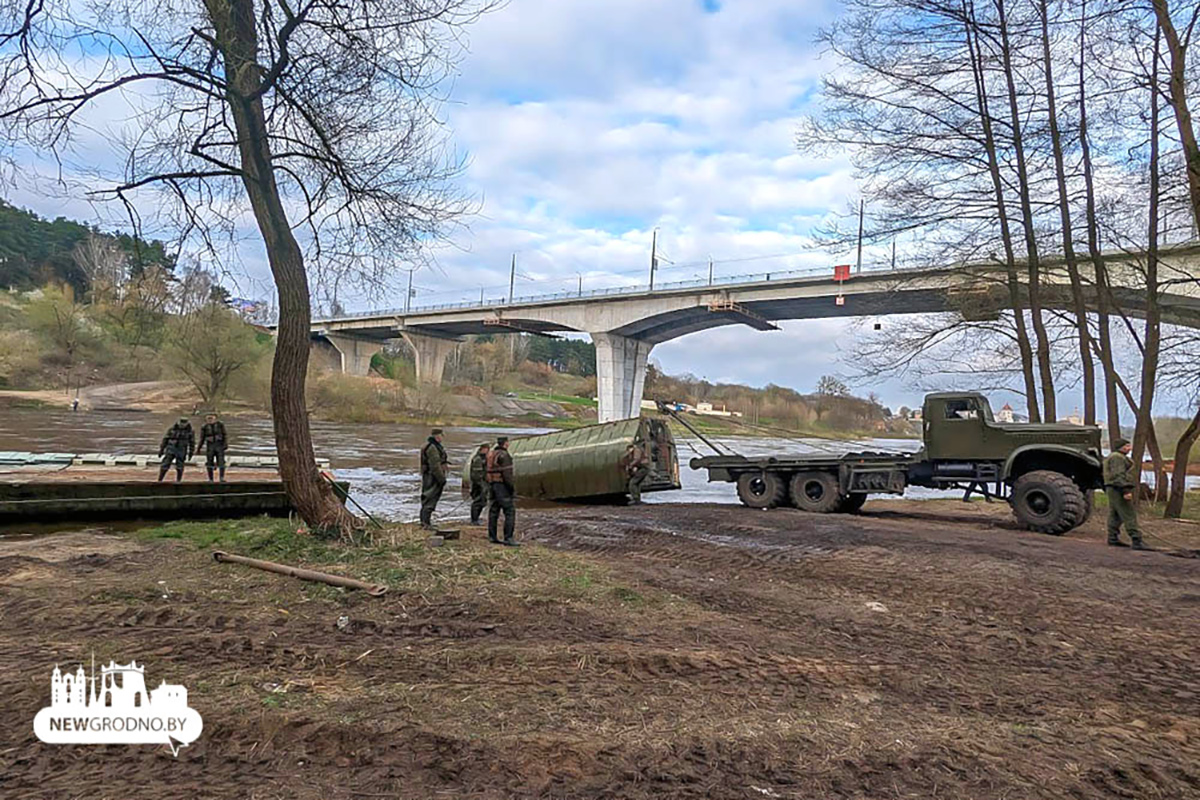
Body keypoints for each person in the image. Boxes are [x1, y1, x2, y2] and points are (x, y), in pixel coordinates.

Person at [1103, 437, 1148, 550]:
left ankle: (1112, 538)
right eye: (1127, 446)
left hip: (1113, 487)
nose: (1129, 448)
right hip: (1118, 488)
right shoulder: (1117, 458)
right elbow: (1118, 475)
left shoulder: (1116, 457)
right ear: (1120, 447)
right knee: (1128, 513)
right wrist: (1126, 490)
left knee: (1115, 514)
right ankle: (1136, 539)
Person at [486, 436, 517, 546]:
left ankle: (492, 536)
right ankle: (508, 538)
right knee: (509, 511)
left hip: (492, 485)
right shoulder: (504, 455)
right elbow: (507, 475)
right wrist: (512, 489)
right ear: (505, 443)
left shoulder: (491, 454)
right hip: (502, 485)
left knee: (493, 511)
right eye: (508, 442)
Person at [419, 428, 448, 529]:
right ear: (437, 436)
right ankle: (425, 523)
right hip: (432, 477)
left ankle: (425, 522)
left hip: (430, 476)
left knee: (428, 498)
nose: (442, 438)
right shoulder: (432, 448)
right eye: (441, 436)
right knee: (430, 498)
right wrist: (442, 479)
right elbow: (435, 466)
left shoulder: (431, 445)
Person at [157, 417, 195, 483]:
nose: (182, 425)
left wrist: (191, 453)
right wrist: (161, 450)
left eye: (184, 423)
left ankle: (178, 480)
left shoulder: (190, 431)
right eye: (181, 423)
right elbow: (165, 439)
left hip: (182, 449)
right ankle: (160, 480)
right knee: (165, 464)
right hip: (171, 448)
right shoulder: (172, 429)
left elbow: (192, 442)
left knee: (180, 466)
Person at [199, 412, 229, 483]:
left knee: (221, 462)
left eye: (211, 418)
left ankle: (221, 478)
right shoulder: (204, 427)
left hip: (219, 445)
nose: (210, 420)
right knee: (209, 462)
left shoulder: (220, 425)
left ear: (215, 418)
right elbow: (202, 438)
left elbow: (224, 435)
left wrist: (225, 444)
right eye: (208, 418)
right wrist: (199, 448)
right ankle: (211, 479)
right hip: (210, 446)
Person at [468, 442, 491, 526]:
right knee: (477, 501)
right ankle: (474, 520)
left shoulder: (483, 458)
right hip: (478, 484)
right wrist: (481, 485)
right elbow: (476, 474)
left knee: (482, 501)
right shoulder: (478, 459)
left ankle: (476, 518)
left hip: (482, 483)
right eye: (487, 449)